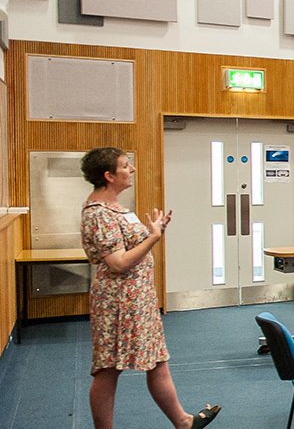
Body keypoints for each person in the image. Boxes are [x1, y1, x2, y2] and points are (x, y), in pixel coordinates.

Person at [79, 148, 222, 429]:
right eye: (124, 166)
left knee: (157, 360)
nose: (131, 169)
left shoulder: (116, 208)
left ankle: (182, 421)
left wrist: (154, 230)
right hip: (118, 304)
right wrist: (153, 238)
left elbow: (131, 247)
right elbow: (118, 263)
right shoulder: (99, 214)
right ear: (109, 176)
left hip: (138, 300)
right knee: (108, 369)